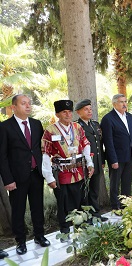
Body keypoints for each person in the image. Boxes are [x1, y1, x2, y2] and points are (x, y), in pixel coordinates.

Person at [0, 94, 51, 255]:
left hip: (36, 174)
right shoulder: (5, 127)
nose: (28, 106)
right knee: (18, 210)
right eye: (24, 104)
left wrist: (45, 171)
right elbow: (2, 156)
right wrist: (8, 179)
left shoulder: (36, 124)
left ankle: (39, 236)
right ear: (14, 107)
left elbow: (39, 149)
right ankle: (20, 241)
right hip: (16, 178)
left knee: (37, 207)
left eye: (29, 103)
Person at [41, 100, 94, 240]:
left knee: (80, 199)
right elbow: (45, 154)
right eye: (64, 112)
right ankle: (65, 229)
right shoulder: (50, 130)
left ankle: (82, 225)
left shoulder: (77, 127)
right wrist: (49, 177)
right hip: (62, 172)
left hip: (79, 170)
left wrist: (90, 163)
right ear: (57, 114)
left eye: (70, 112)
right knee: (63, 201)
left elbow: (86, 144)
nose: (68, 114)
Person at [101, 94, 132, 210]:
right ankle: (115, 206)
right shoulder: (108, 119)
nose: (124, 104)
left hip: (129, 155)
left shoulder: (130, 117)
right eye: (121, 102)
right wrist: (113, 159)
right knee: (115, 184)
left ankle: (126, 204)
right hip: (117, 157)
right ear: (114, 104)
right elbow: (108, 141)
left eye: (125, 101)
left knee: (127, 182)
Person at [75, 99, 108, 222]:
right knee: (85, 190)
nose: (89, 111)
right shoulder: (77, 126)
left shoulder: (95, 124)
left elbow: (100, 145)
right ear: (79, 112)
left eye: (90, 109)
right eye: (86, 109)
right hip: (84, 164)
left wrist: (102, 160)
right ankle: (86, 216)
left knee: (95, 190)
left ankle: (96, 214)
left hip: (97, 162)